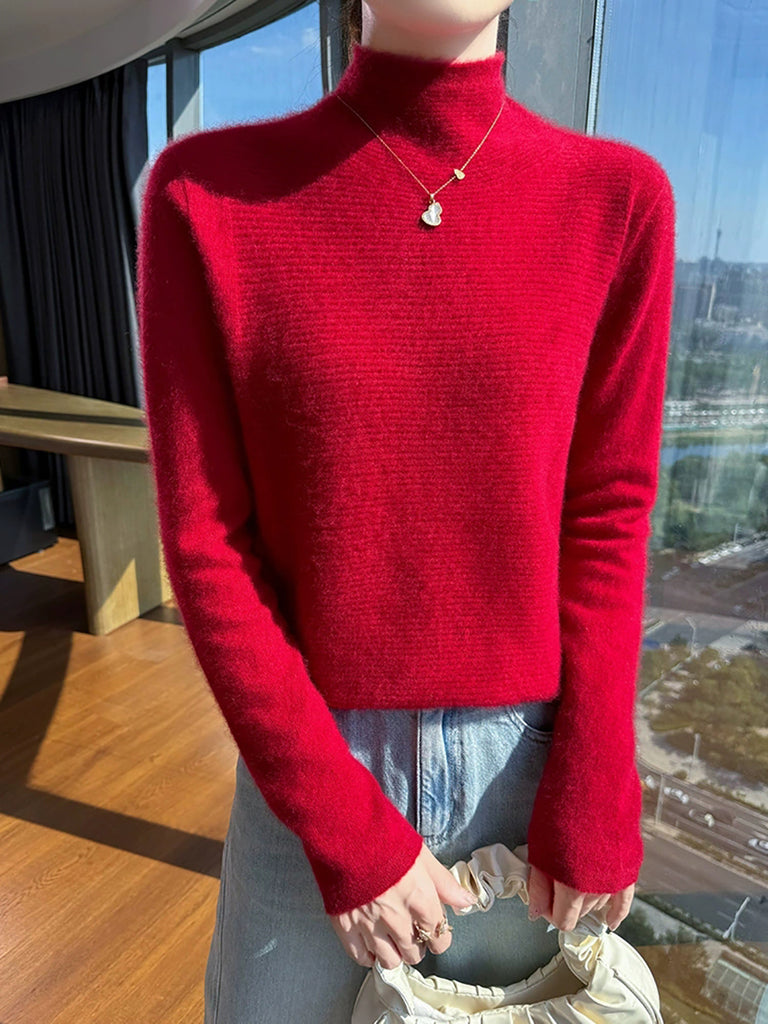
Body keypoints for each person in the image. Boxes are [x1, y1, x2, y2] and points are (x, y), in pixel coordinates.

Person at [136, 0, 677, 1020]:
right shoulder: (207, 195)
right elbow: (208, 542)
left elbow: (607, 511)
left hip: (525, 778)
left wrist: (600, 773)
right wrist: (343, 827)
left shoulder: (618, 201)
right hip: (308, 769)